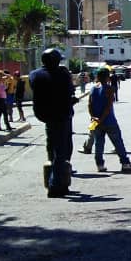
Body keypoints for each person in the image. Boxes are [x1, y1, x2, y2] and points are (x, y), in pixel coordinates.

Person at [29, 48, 77, 198]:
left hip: (44, 115)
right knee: (61, 152)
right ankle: (54, 184)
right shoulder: (62, 74)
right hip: (61, 115)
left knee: (51, 146)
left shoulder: (34, 75)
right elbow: (69, 91)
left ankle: (59, 182)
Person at [88, 67, 131, 173]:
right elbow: (108, 106)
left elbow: (90, 105)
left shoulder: (93, 89)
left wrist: (93, 117)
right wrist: (101, 119)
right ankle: (125, 163)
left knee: (99, 143)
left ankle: (100, 165)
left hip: (96, 121)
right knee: (118, 142)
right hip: (109, 121)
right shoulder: (109, 89)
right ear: (107, 77)